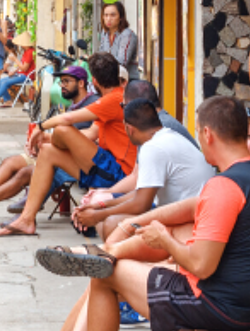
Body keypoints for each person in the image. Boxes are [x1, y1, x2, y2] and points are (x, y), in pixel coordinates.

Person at [29, 97, 250, 331]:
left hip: (215, 305)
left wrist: (165, 240)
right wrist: (140, 222)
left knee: (105, 273)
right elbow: (195, 207)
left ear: (207, 135)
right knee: (130, 251)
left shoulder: (224, 186)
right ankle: (105, 253)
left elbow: (202, 266)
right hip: (247, 304)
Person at [0, 53, 132, 237]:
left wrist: (40, 127)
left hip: (119, 175)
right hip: (106, 167)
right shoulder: (111, 100)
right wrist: (49, 139)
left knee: (61, 130)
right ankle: (26, 219)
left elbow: (67, 119)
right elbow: (90, 134)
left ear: (94, 81)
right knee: (48, 150)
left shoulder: (113, 99)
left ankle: (20, 214)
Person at [0, 64, 97, 224]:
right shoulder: (72, 106)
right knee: (10, 162)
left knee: (24, 173)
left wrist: (46, 138)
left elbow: (87, 138)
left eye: (66, 81)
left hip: (70, 159)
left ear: (81, 83)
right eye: (61, 82)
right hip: (54, 152)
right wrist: (38, 144)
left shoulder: (92, 104)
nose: (62, 86)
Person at [70, 98, 214, 235]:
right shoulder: (167, 136)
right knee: (109, 220)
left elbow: (141, 204)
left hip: (192, 221)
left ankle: (117, 257)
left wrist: (97, 215)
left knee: (112, 224)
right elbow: (141, 193)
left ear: (129, 128)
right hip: (193, 213)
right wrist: (101, 206)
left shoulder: (153, 147)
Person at [99, 0, 140, 82]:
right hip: (110, 80)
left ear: (121, 17)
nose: (108, 19)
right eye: (106, 15)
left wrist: (102, 62)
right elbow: (101, 54)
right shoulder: (104, 33)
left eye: (113, 15)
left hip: (127, 80)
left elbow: (122, 62)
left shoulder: (127, 35)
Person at [0, 35, 37, 108]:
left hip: (26, 76)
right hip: (20, 74)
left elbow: (24, 68)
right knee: (1, 81)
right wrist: (14, 71)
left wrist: (15, 59)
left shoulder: (30, 52)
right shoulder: (26, 52)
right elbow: (20, 66)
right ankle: (8, 100)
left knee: (5, 83)